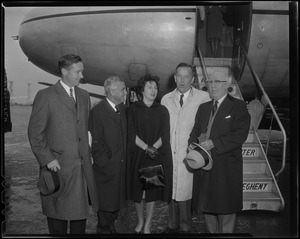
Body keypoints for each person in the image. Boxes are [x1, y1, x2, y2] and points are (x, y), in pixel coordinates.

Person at [28, 54, 99, 235]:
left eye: (81, 71)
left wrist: (88, 153)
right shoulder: (46, 96)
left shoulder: (84, 96)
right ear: (64, 71)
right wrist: (48, 159)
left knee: (79, 219)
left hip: (81, 169)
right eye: (77, 71)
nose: (81, 76)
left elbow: (84, 130)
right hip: (58, 168)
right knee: (57, 219)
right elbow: (36, 134)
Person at [188, 70, 251, 233]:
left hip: (226, 169)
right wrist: (192, 144)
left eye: (217, 82)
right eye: (210, 82)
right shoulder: (203, 108)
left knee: (226, 211)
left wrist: (214, 143)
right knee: (208, 209)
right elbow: (195, 131)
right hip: (205, 168)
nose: (213, 85)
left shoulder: (238, 106)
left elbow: (240, 135)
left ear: (227, 85)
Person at [160, 63, 211, 233]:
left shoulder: (204, 97)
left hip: (190, 152)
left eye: (186, 76)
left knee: (186, 192)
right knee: (173, 190)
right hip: (171, 152)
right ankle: (172, 225)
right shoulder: (166, 99)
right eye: (179, 76)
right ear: (174, 78)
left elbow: (207, 125)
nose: (182, 80)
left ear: (193, 79)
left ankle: (185, 227)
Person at [126, 74, 173, 234]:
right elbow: (130, 133)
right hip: (138, 154)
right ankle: (140, 220)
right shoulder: (132, 109)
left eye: (155, 88)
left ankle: (148, 224)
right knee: (138, 190)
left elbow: (165, 134)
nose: (153, 90)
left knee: (151, 190)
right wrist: (146, 147)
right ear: (142, 90)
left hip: (154, 154)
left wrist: (154, 148)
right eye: (149, 87)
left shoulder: (162, 110)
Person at [88, 74, 127, 234]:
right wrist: (106, 164)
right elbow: (95, 143)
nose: (125, 92)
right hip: (106, 173)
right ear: (112, 91)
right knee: (105, 214)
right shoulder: (98, 111)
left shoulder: (122, 109)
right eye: (123, 89)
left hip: (119, 170)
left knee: (114, 211)